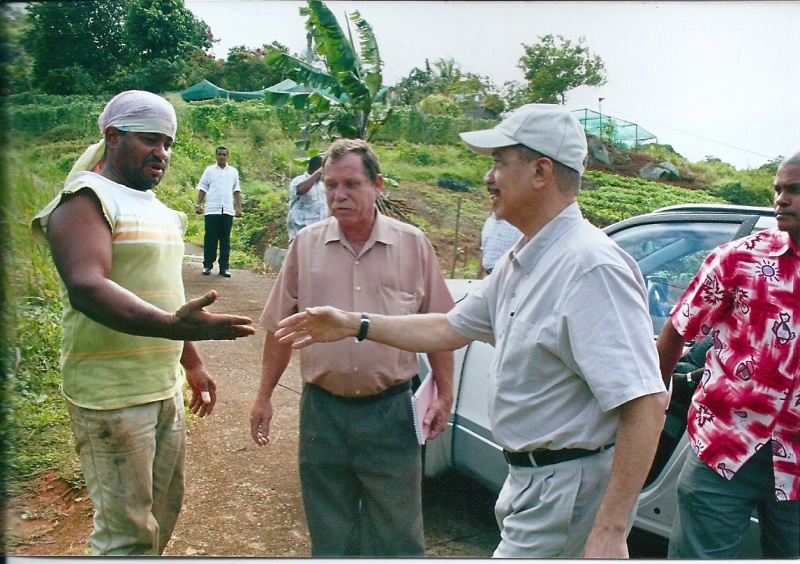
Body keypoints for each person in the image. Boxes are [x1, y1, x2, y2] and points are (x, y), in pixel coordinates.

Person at [275, 104, 669, 558]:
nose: (489, 176)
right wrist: (352, 323)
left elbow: (646, 402)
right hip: (533, 481)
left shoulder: (589, 267)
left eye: (500, 161)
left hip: (568, 487)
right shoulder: (527, 257)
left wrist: (610, 531)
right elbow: (449, 327)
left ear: (541, 172)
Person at [30, 90, 255, 556]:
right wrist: (175, 327)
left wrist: (192, 361)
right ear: (113, 137)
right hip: (110, 396)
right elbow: (87, 287)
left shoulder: (160, 210)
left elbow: (168, 294)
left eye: (167, 143)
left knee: (163, 513)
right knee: (126, 534)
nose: (162, 153)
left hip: (162, 389)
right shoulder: (85, 199)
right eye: (149, 140)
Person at [249, 138, 455, 557]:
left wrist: (445, 394)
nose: (338, 195)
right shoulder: (305, 245)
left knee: (398, 537)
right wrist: (263, 396)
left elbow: (440, 329)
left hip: (391, 414)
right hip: (323, 415)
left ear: (377, 185)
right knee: (330, 536)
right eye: (330, 185)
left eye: (351, 184)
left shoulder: (413, 245)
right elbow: (280, 328)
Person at [655, 151, 800, 559]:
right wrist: (654, 402)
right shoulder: (739, 259)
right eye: (778, 189)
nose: (781, 199)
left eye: (794, 189)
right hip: (724, 448)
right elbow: (676, 331)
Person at [196, 146, 242, 277]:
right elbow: (203, 188)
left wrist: (239, 207)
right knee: (210, 239)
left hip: (227, 210)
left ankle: (224, 268)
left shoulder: (233, 172)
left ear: (227, 156)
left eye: (224, 155)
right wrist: (198, 204)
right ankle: (207, 265)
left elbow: (236, 190)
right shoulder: (209, 171)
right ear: (216, 156)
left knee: (225, 240)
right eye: (219, 154)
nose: (222, 157)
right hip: (212, 209)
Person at [286, 154, 329, 242]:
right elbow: (300, 190)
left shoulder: (322, 185)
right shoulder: (298, 180)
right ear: (316, 168)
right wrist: (318, 173)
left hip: (320, 233)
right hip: (300, 233)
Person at [476, 210, 522, 278]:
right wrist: (478, 277)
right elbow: (484, 251)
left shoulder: (516, 225)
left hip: (507, 275)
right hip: (489, 274)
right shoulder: (489, 222)